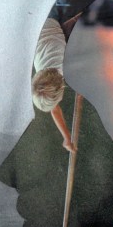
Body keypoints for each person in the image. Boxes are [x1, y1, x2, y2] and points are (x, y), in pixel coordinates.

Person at [30, 17, 76, 153]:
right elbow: (54, 110)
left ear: (61, 87)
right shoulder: (42, 70)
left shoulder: (66, 65)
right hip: (38, 25)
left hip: (51, 19)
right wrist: (66, 137)